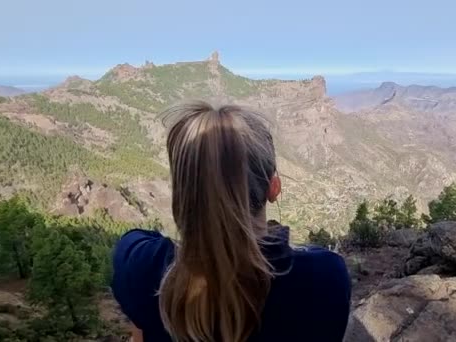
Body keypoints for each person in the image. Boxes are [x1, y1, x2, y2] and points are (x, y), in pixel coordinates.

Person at [111, 101, 351, 342]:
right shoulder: (324, 277)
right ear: (273, 188)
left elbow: (134, 240)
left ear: (183, 193)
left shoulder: (141, 267)